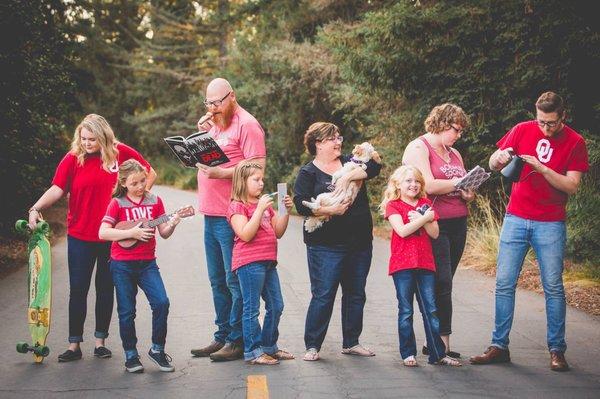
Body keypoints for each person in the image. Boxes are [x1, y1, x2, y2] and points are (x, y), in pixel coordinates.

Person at [470, 92, 589, 371]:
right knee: (504, 283)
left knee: (553, 287)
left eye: (550, 123)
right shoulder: (523, 129)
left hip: (550, 222)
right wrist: (498, 157)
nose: (545, 128)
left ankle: (557, 350)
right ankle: (499, 346)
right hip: (516, 217)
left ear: (563, 117)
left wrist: (541, 168)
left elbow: (572, 186)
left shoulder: (575, 142)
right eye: (541, 122)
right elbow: (492, 164)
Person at [27, 114, 156, 362]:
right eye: (83, 138)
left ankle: (100, 342)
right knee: (78, 289)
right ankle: (74, 345)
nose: (87, 143)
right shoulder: (73, 159)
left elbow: (149, 172)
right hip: (80, 236)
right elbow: (57, 188)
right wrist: (35, 208)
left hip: (112, 236)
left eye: (92, 139)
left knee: (106, 288)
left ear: (103, 136)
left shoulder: (121, 154)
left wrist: (137, 198)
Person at [190, 78, 266, 361]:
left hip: (232, 214)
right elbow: (217, 155)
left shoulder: (247, 125)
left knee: (233, 281)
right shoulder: (216, 123)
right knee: (216, 280)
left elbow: (257, 168)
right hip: (210, 212)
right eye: (208, 103)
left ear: (232, 96)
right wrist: (201, 137)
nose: (212, 108)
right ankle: (222, 335)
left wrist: (220, 174)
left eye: (217, 102)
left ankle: (236, 339)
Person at [293, 122, 382, 362]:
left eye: (339, 137)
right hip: (325, 245)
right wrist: (329, 209)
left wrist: (352, 174)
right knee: (323, 294)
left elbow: (375, 165)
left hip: (359, 241)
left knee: (356, 294)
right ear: (318, 143)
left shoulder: (350, 162)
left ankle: (351, 342)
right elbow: (300, 203)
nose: (338, 141)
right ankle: (313, 345)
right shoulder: (308, 172)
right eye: (332, 138)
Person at [402, 103, 474, 358]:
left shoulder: (454, 153)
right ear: (442, 124)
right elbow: (428, 185)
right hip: (434, 222)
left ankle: (437, 339)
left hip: (458, 221)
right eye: (456, 129)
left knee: (446, 281)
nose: (458, 135)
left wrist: (468, 191)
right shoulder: (419, 147)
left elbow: (463, 188)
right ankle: (440, 341)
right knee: (440, 281)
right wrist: (457, 182)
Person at [98, 160, 179, 373]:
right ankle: (131, 355)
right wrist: (130, 233)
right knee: (127, 311)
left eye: (143, 181)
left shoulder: (155, 201)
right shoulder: (117, 203)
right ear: (124, 183)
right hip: (122, 265)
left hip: (147, 264)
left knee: (162, 303)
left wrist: (173, 222)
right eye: (135, 183)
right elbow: (103, 232)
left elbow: (164, 232)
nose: (141, 186)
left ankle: (157, 350)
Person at [380, 165, 461, 367]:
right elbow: (403, 230)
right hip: (403, 265)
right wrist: (425, 218)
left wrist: (425, 218)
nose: (413, 185)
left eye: (417, 181)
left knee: (431, 310)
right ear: (398, 184)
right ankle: (408, 353)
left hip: (425, 263)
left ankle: (437, 354)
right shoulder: (394, 205)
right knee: (406, 310)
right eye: (408, 181)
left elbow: (434, 233)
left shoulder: (425, 203)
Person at [227, 161, 294, 365]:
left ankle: (268, 346)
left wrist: (285, 211)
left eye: (262, 179)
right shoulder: (237, 206)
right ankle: (253, 351)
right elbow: (245, 234)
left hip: (268, 262)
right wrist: (258, 210)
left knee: (277, 305)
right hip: (248, 263)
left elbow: (279, 232)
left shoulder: (265, 207)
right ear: (242, 182)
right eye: (256, 180)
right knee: (252, 308)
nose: (261, 183)